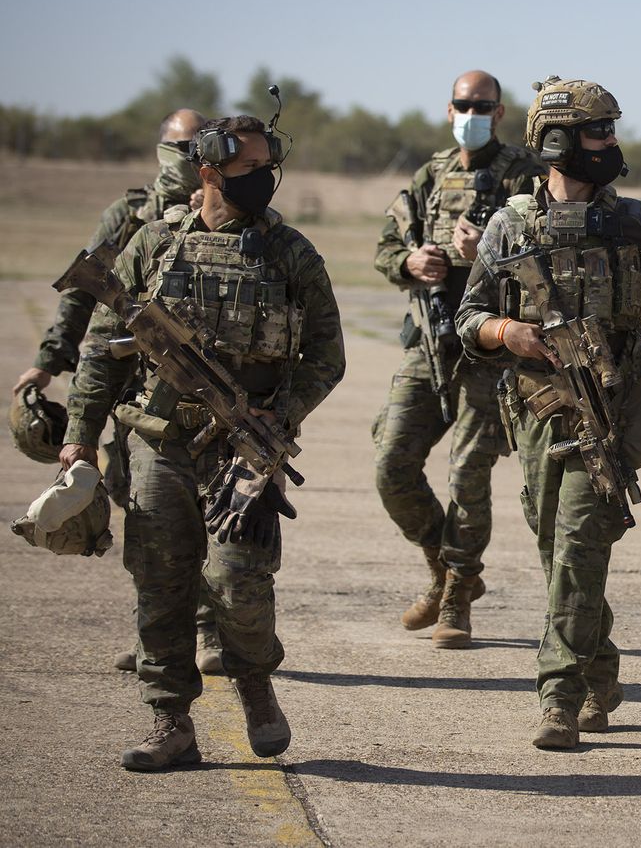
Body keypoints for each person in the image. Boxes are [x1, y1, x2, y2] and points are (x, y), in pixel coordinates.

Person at [62, 114, 344, 771]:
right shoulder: (154, 243)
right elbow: (102, 350)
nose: (265, 179)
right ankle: (170, 718)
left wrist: (280, 415)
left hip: (245, 449)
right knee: (160, 582)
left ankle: (254, 680)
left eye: (269, 166)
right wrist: (79, 436)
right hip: (157, 441)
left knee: (238, 580)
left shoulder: (290, 252)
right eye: (250, 168)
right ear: (209, 170)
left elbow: (326, 356)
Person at [457, 76, 641, 750]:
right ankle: (601, 669)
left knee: (577, 543)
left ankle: (559, 697)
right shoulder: (511, 225)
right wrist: (506, 332)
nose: (611, 143)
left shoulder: (635, 222)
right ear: (557, 141)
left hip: (611, 413)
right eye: (599, 131)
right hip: (539, 410)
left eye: (611, 130)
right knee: (557, 548)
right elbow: (468, 316)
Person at [12, 108, 223, 676]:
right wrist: (47, 363)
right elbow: (81, 295)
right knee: (143, 511)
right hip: (130, 391)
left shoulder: (220, 212)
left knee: (206, 509)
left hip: (194, 391)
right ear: (161, 151)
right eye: (180, 148)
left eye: (199, 149)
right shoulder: (130, 217)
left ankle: (209, 629)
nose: (190, 160)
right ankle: (157, 631)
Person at [372, 70, 542, 648]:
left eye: (483, 106)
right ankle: (443, 567)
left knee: (468, 473)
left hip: (488, 348)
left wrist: (487, 252)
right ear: (449, 110)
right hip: (429, 343)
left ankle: (457, 595)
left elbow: (549, 257)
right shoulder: (431, 175)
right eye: (463, 105)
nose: (472, 114)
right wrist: (409, 263)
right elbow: (387, 245)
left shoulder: (524, 174)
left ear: (500, 113)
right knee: (392, 463)